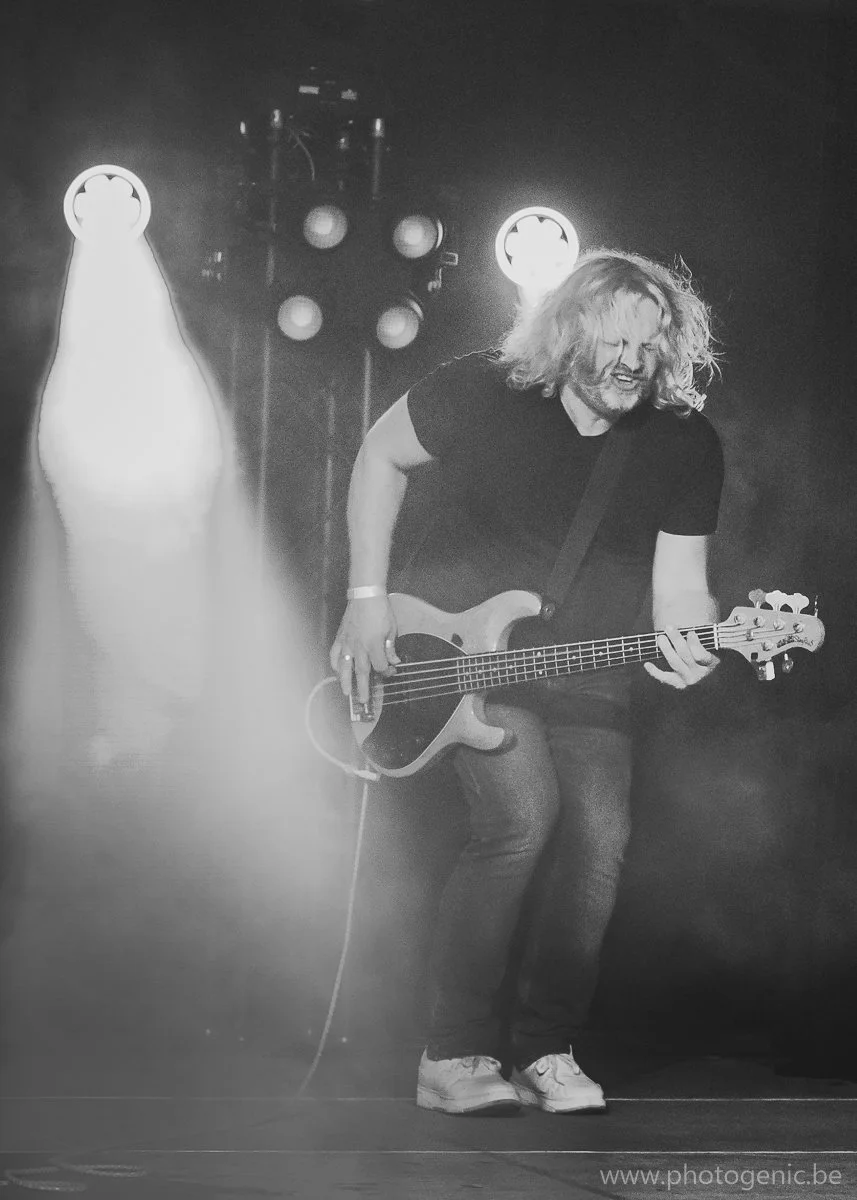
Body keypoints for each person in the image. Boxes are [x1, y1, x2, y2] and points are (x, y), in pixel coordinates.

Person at [330, 249, 724, 1115]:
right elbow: (378, 456)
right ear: (567, 331)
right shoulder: (484, 389)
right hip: (463, 653)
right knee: (521, 819)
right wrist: (366, 601)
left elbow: (682, 588)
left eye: (647, 346)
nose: (629, 363)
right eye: (611, 343)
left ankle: (546, 1049)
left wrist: (696, 643)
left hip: (585, 664)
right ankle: (453, 1055)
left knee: (599, 844)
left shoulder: (683, 440)